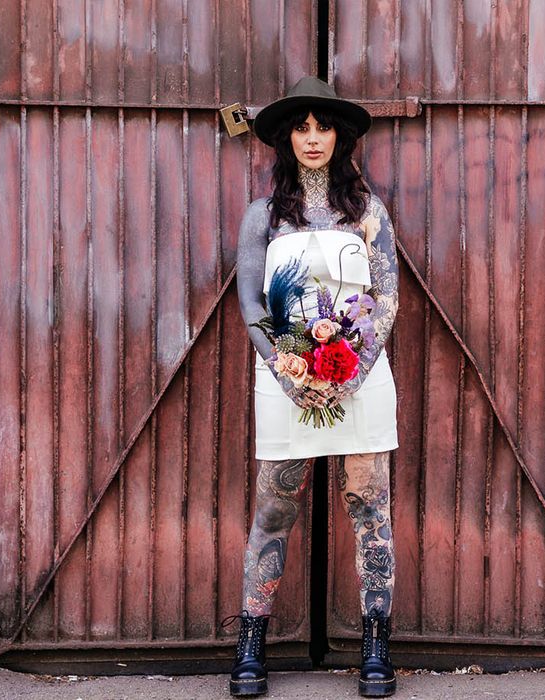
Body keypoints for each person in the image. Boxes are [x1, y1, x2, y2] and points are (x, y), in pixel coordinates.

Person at [230, 76, 399, 698]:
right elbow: (251, 302)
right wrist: (285, 367)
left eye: (321, 126)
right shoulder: (262, 217)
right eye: (300, 127)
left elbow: (386, 297)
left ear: (340, 136)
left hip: (360, 378)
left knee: (369, 510)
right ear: (284, 139)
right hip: (287, 379)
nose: (311, 138)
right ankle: (250, 643)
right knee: (274, 510)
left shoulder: (368, 213)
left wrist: (353, 367)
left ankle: (376, 645)